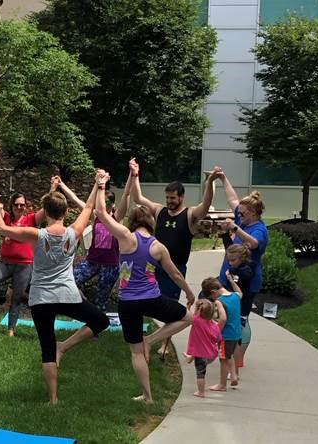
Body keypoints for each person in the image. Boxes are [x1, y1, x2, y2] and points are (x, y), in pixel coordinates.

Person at [0, 172, 110, 405]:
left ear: (46, 213)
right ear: (66, 213)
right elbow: (88, 207)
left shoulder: (36, 234)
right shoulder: (74, 232)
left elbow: (2, 229)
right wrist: (99, 185)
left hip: (41, 299)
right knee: (101, 321)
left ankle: (53, 398)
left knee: (47, 347)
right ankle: (64, 347)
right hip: (67, 295)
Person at [94, 167, 194, 404]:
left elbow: (100, 212)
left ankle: (147, 396)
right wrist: (189, 292)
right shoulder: (158, 246)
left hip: (127, 303)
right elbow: (176, 275)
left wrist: (101, 186)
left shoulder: (126, 238)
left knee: (136, 352)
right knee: (187, 317)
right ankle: (153, 340)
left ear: (132, 222)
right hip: (151, 299)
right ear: (151, 222)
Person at [130, 159, 221, 355]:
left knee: (171, 309)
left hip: (176, 269)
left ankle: (163, 344)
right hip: (154, 267)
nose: (169, 201)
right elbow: (138, 197)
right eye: (167, 197)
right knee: (148, 302)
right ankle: (144, 338)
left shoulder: (189, 215)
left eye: (173, 198)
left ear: (181, 197)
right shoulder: (159, 211)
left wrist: (210, 183)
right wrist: (135, 174)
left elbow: (205, 205)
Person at [51, 171, 132, 312]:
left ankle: (96, 329)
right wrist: (62, 185)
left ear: (113, 205)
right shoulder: (96, 216)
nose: (103, 205)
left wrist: (132, 175)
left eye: (107, 203)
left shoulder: (116, 218)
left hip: (110, 265)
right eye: (101, 202)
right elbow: (75, 199)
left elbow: (126, 196)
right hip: (92, 262)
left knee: (101, 299)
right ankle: (84, 307)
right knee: (70, 281)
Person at [0, 184, 48, 336]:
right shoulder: (6, 218)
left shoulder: (31, 219)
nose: (19, 207)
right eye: (16, 204)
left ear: (26, 206)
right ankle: (4, 291)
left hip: (24, 266)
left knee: (17, 298)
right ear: (12, 205)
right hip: (6, 264)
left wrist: (53, 188)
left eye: (22, 205)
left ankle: (11, 329)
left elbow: (47, 206)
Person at [217, 173, 268, 369]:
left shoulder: (259, 230)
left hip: (246, 283)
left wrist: (235, 228)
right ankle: (228, 352)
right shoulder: (244, 220)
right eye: (239, 212)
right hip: (228, 279)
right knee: (226, 315)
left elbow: (254, 243)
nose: (240, 215)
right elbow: (232, 198)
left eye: (243, 213)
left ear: (254, 213)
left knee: (241, 320)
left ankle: (238, 359)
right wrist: (222, 179)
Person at [201, 276, 242, 392]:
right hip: (236, 333)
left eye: (211, 297)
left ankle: (227, 380)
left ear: (213, 292)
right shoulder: (235, 296)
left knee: (224, 357)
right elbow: (240, 292)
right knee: (226, 356)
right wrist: (231, 281)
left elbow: (223, 319)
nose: (212, 299)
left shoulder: (219, 301)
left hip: (226, 334)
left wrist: (215, 331)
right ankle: (228, 380)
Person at [221, 243, 254, 374]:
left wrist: (232, 272)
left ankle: (236, 365)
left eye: (233, 260)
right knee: (232, 336)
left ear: (242, 258)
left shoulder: (246, 269)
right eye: (228, 260)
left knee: (236, 336)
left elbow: (244, 275)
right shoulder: (234, 269)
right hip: (233, 303)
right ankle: (233, 364)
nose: (230, 263)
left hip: (242, 305)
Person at [183, 299, 225, 398]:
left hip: (201, 354)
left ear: (198, 311)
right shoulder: (215, 326)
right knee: (199, 347)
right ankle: (190, 357)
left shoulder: (196, 321)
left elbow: (187, 316)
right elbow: (218, 339)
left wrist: (188, 307)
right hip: (211, 354)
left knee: (200, 374)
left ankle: (201, 392)